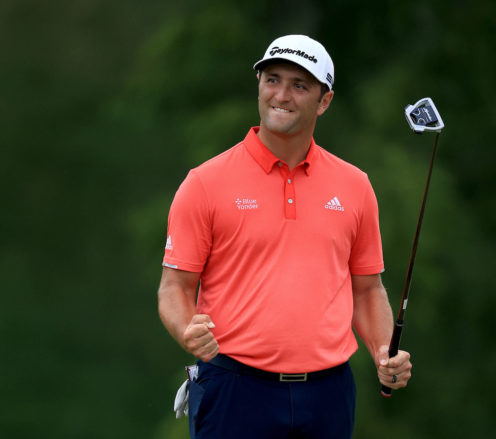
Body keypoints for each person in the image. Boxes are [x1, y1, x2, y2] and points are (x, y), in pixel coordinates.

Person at [158, 34, 412, 439]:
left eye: (299, 85)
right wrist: (187, 327)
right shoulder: (204, 183)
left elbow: (367, 290)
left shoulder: (355, 185)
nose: (282, 95)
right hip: (234, 387)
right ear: (259, 85)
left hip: (328, 393)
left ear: (324, 100)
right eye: (272, 79)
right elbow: (174, 286)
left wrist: (383, 350)